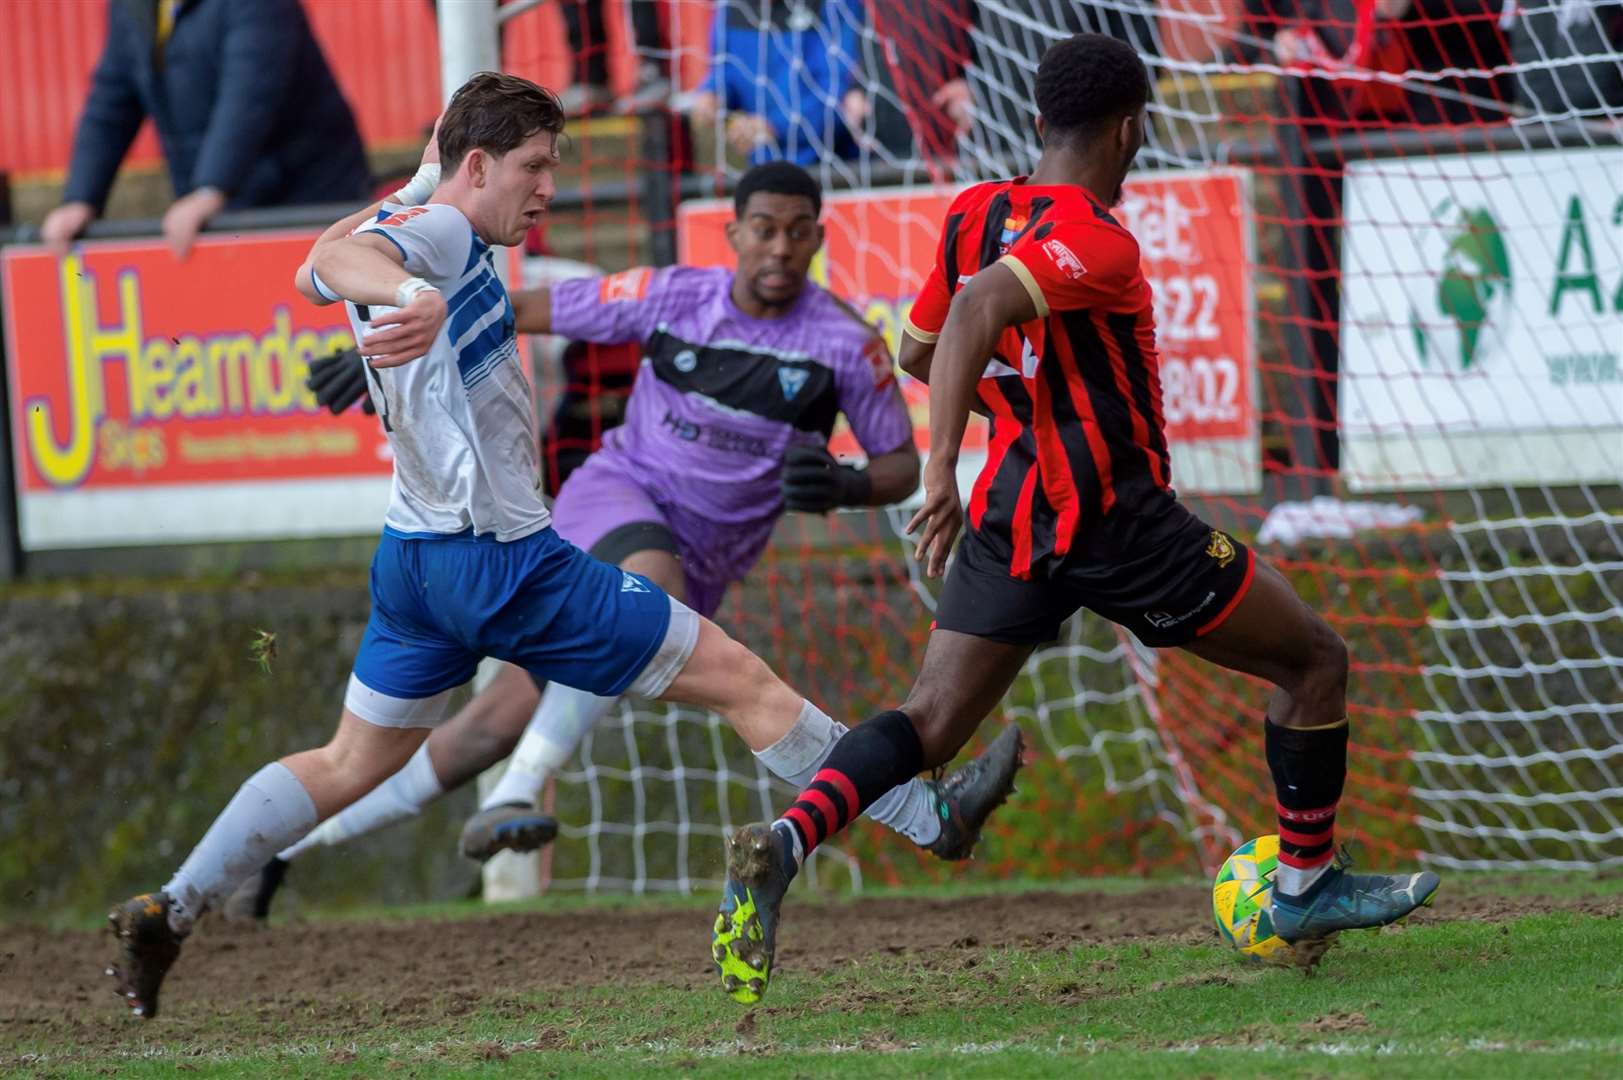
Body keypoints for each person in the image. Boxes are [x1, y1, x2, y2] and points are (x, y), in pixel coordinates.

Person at [104, 75, 1019, 1019]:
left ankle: (169, 908)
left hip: (414, 559)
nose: (547, 189)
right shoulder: (450, 236)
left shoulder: (426, 215)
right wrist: (411, 281)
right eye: (535, 167)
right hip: (506, 561)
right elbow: (357, 259)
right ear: (477, 165)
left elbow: (316, 263)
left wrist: (411, 206)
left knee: (346, 762)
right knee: (742, 681)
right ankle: (926, 815)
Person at [708, 34, 1442, 1007]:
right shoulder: (1099, 237)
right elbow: (972, 311)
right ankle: (1303, 884)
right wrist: (937, 472)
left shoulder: (973, 211)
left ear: (1041, 120)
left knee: (928, 722)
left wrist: (1008, 401)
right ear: (1131, 129)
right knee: (1313, 662)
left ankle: (787, 843)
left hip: (1017, 511)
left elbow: (926, 351)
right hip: (1118, 518)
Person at [223, 161, 1015, 922]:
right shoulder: (672, 295)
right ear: (733, 233)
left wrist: (844, 485)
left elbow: (896, 465)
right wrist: (377, 351)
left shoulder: (847, 346)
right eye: (764, 230)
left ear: (817, 240)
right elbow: (519, 311)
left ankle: (284, 853)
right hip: (614, 500)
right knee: (651, 587)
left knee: (485, 729)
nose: (780, 248)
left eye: (798, 233)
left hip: (706, 555)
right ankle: (517, 793)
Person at [40, 0, 371, 259]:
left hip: (305, 198)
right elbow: (111, 102)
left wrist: (210, 189)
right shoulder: (134, 6)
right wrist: (81, 199)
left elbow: (249, 95)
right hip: (219, 204)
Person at [686, 0, 866, 166]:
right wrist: (712, 94)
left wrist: (774, 126)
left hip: (836, 163)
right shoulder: (731, 8)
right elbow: (726, 70)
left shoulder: (835, 5)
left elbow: (838, 90)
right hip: (763, 163)